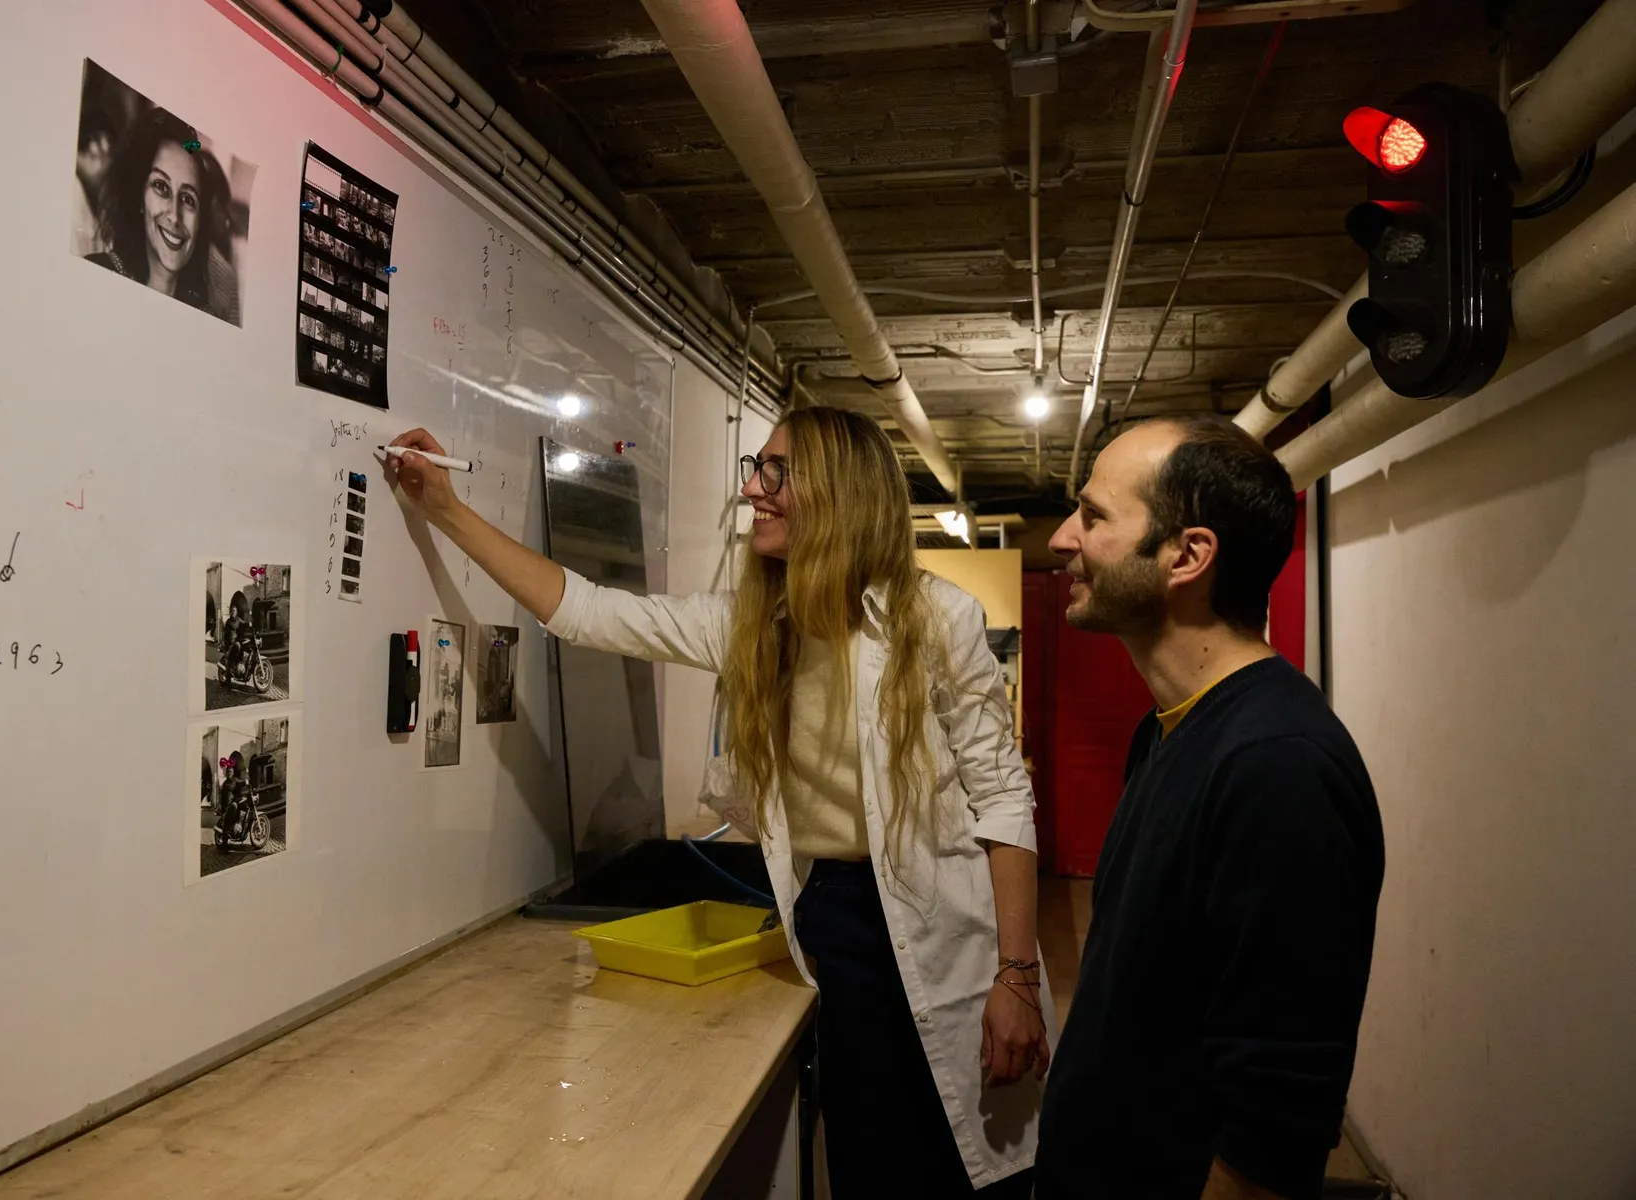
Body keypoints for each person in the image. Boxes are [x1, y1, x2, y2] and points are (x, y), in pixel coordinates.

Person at [386, 409, 1055, 1197]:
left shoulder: (937, 620)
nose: (751, 490)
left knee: (972, 1158)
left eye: (776, 472)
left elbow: (1004, 800)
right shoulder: (752, 625)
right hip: (833, 914)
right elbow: (593, 611)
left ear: (840, 493)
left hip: (950, 917)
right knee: (874, 1156)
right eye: (755, 467)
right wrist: (445, 510)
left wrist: (1013, 977)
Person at [1034, 415, 1385, 1200]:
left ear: (1186, 556)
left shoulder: (1277, 767)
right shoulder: (1164, 734)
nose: (1061, 539)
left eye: (1093, 517)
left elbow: (1277, 1117)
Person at [85, 107, 240, 324]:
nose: (175, 217)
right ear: (139, 197)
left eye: (188, 199)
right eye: (160, 186)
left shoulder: (207, 318)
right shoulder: (94, 275)